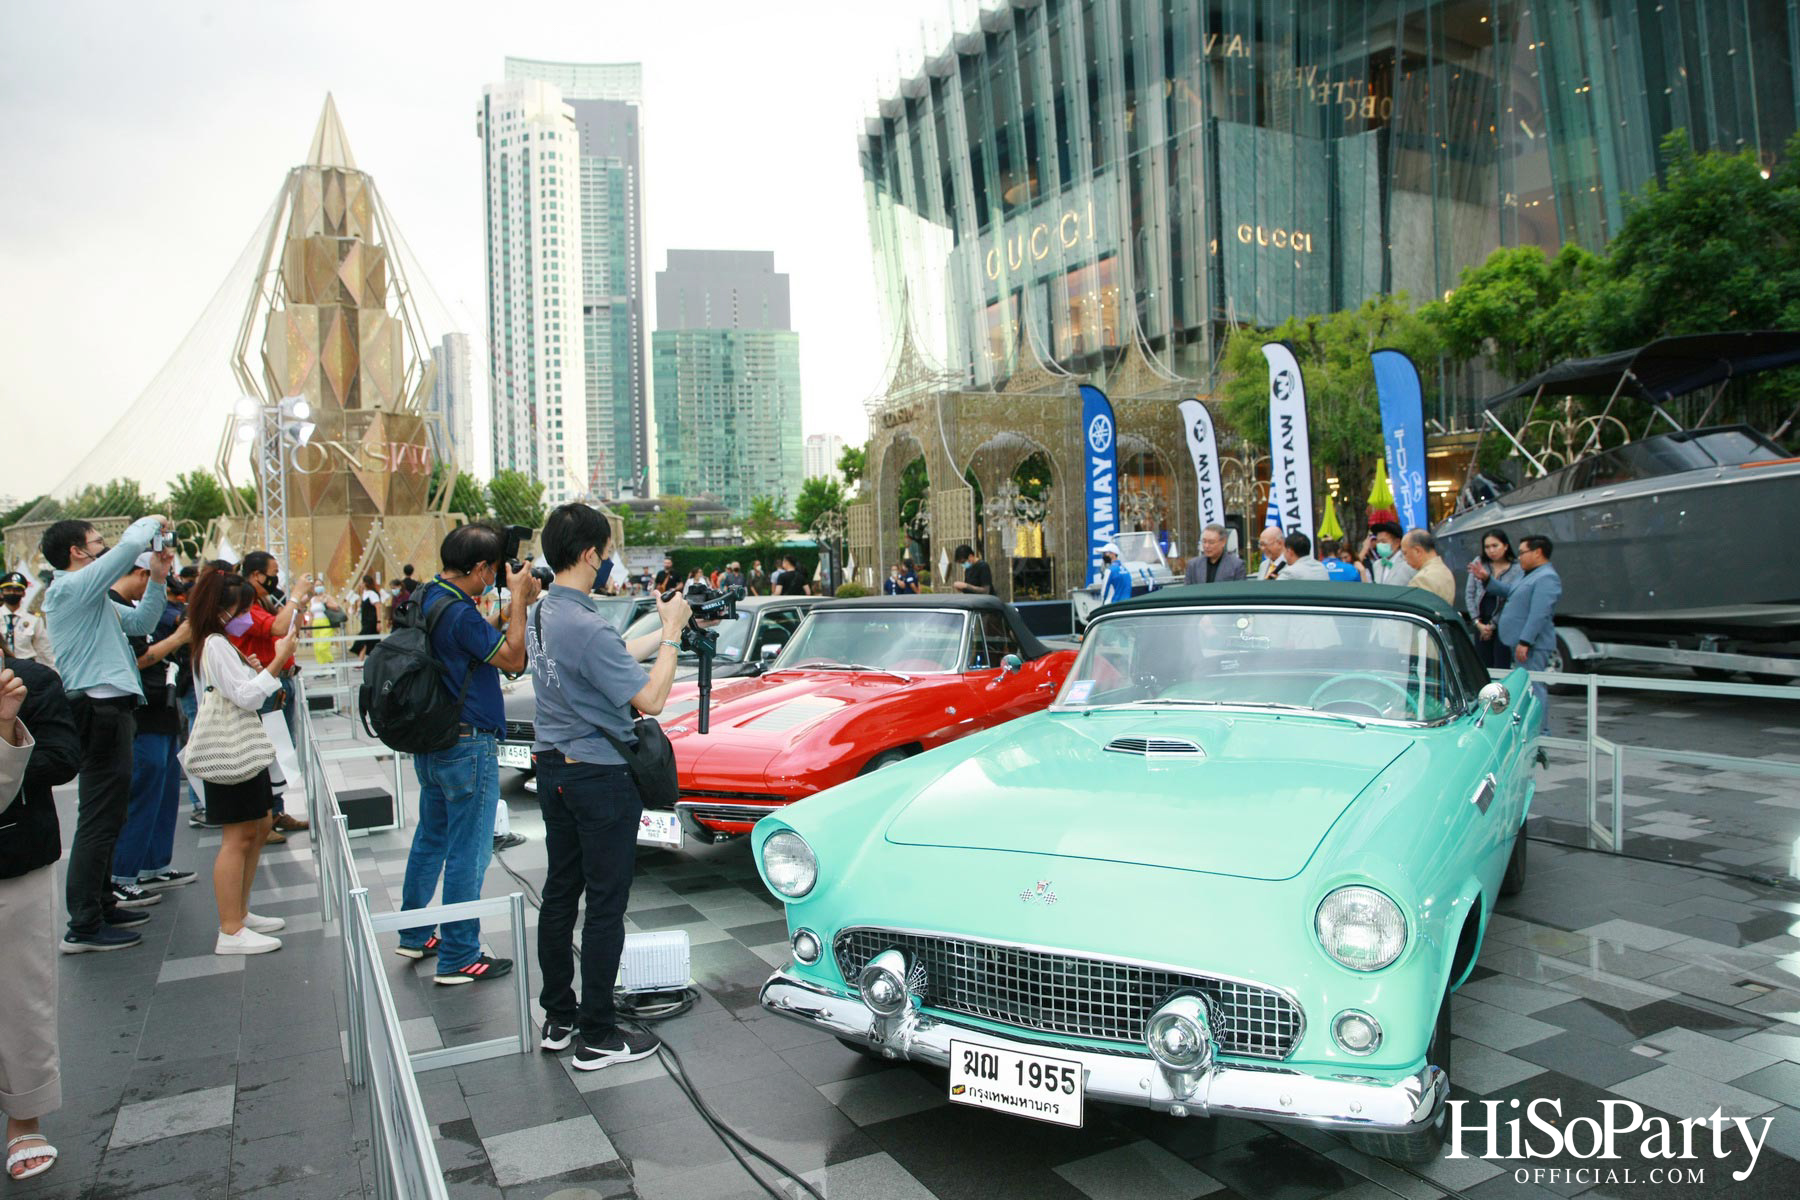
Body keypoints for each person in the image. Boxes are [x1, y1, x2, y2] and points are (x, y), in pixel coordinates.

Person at [530, 503, 692, 1069]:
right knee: (604, 904)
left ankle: (559, 1016)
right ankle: (597, 1034)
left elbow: (609, 659)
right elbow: (649, 699)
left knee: (560, 892)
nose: (605, 561)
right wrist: (672, 634)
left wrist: (655, 627)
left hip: (553, 769)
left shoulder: (545, 610)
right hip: (597, 777)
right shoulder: (584, 623)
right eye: (603, 551)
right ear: (588, 554)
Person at [393, 523, 539, 983]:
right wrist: (518, 601)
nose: (495, 577)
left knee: (431, 839)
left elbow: (469, 644)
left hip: (431, 740)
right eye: (493, 571)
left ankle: (414, 934)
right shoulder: (458, 611)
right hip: (466, 743)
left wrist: (503, 612)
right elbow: (514, 659)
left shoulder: (427, 595)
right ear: (479, 568)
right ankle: (459, 956)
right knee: (468, 851)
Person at [40, 516, 172, 952]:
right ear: (78, 552)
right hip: (97, 711)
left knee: (111, 814)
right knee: (99, 818)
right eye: (97, 541)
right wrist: (148, 523)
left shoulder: (89, 596)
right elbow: (125, 549)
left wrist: (156, 577)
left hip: (112, 709)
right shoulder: (67, 590)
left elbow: (141, 623)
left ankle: (101, 904)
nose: (106, 547)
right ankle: (84, 923)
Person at [186, 571, 298, 955]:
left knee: (255, 827)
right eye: (242, 607)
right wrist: (277, 661)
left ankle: (240, 913)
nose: (248, 615)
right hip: (230, 751)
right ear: (222, 609)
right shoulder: (215, 644)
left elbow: (238, 689)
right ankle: (230, 927)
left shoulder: (219, 643)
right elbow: (247, 697)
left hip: (241, 748)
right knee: (237, 837)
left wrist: (253, 670)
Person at [0, 656, 79, 1183]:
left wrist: (7, 729)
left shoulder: (32, 681)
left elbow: (62, 758)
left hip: (15, 857)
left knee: (21, 995)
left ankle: (23, 1116)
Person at [108, 555, 196, 903]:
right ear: (143, 574)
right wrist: (177, 639)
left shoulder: (135, 609)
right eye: (156, 580)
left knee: (163, 790)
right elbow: (139, 658)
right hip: (140, 711)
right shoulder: (114, 607)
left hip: (162, 706)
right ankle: (123, 872)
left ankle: (153, 863)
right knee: (144, 791)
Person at [233, 553, 311, 840]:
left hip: (279, 683)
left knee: (281, 750)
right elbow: (278, 628)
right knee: (269, 752)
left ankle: (274, 812)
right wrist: (296, 597)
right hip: (267, 684)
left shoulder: (263, 603)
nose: (275, 578)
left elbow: (288, 628)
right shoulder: (244, 609)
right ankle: (263, 818)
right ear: (255, 575)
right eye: (273, 572)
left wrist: (298, 605)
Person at [1483, 536, 1561, 713]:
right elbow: (1510, 591)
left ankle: (1542, 731)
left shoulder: (1547, 577)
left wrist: (1525, 641)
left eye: (1522, 552)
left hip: (1532, 645)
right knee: (1526, 688)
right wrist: (1487, 580)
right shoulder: (1528, 574)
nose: (1519, 557)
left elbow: (1539, 614)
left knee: (1534, 688)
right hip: (1519, 642)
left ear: (1537, 552)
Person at [1465, 528, 1521, 668]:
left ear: (1506, 546)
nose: (1491, 550)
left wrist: (1492, 626)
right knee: (1482, 665)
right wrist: (1477, 623)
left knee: (1501, 664)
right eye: (1487, 547)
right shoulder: (1479, 562)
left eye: (1495, 546)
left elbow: (1512, 599)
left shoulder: (1516, 568)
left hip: (1503, 623)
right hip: (1481, 621)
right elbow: (1470, 594)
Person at [0, 573, 53, 667]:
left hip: (26, 666)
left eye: (17, 590)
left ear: (23, 593)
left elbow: (43, 649)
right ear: (1, 593)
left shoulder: (33, 619)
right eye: (8, 590)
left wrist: (52, 672)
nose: (12, 593)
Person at [1401, 529, 1456, 603]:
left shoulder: (1423, 579)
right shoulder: (1444, 570)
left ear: (1417, 551)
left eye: (1405, 553)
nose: (1404, 559)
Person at [1364, 521, 1414, 586]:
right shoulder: (1377, 564)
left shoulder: (1409, 563)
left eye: (1383, 541)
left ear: (1397, 542)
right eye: (1378, 542)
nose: (1380, 545)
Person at [356, 574, 380, 658]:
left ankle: (360, 660)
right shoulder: (363, 594)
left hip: (371, 621)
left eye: (362, 582)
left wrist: (378, 621)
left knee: (363, 640)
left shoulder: (372, 594)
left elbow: (378, 607)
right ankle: (365, 660)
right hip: (365, 621)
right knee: (369, 642)